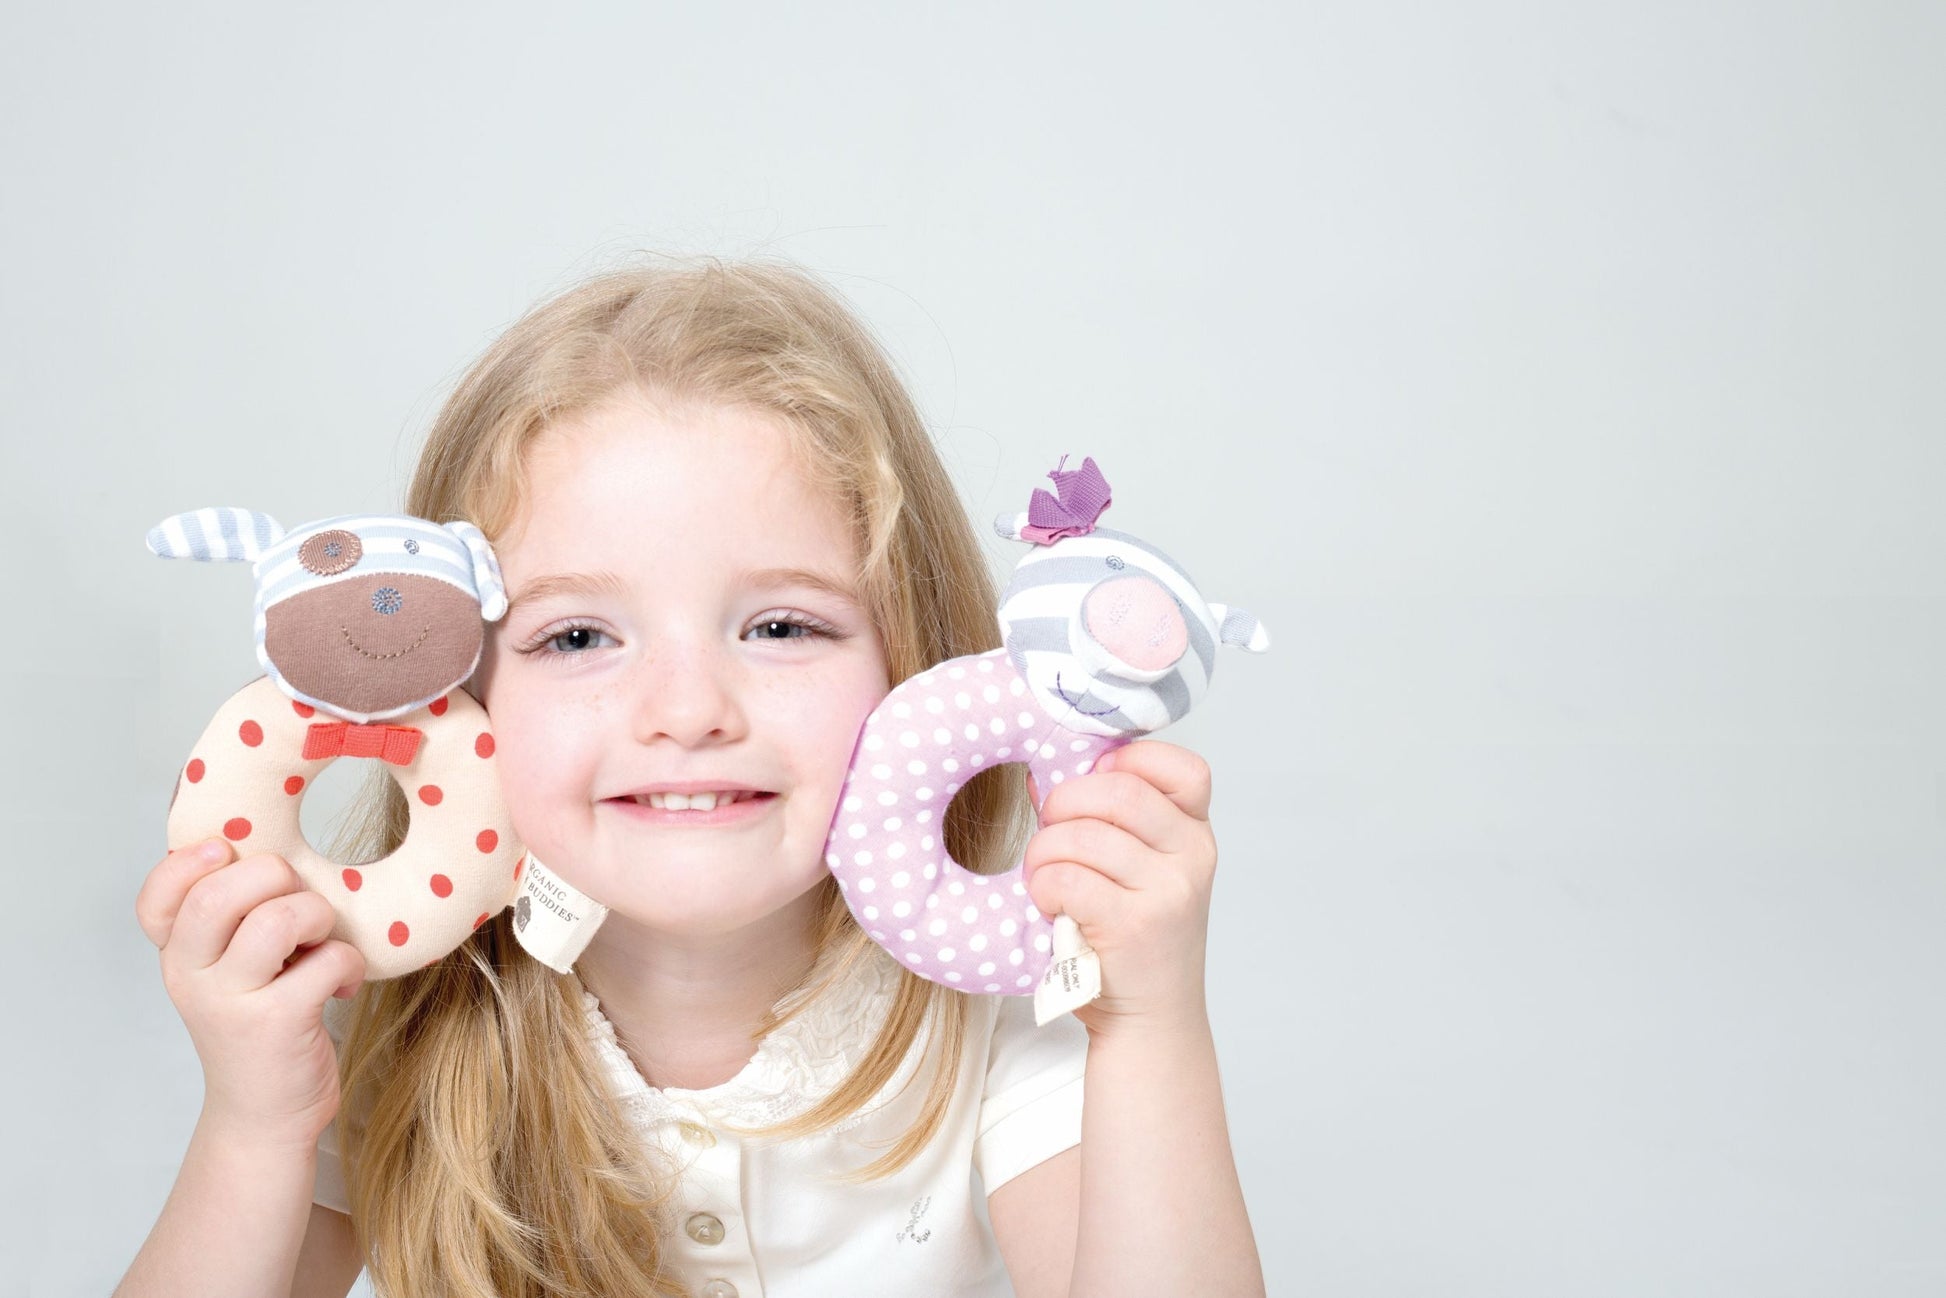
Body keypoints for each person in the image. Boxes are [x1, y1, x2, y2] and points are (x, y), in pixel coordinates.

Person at [118, 261, 1265, 1298]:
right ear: (454, 697)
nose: (686, 709)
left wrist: (1148, 1026)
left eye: (780, 625)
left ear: (915, 667)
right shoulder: (386, 1028)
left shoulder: (1000, 1020)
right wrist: (253, 1127)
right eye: (577, 636)